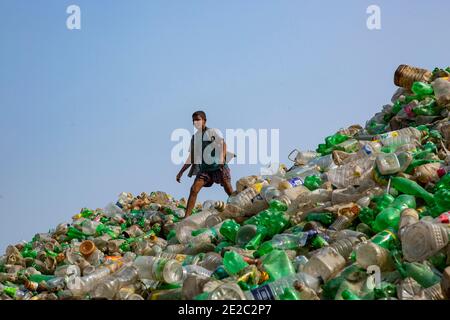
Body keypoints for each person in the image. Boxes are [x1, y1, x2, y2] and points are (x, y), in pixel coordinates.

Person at [176, 111, 233, 216]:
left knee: (228, 188)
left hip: (218, 167)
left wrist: (221, 157)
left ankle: (238, 207)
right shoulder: (195, 138)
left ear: (204, 121)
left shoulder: (211, 132)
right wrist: (181, 172)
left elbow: (223, 144)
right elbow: (192, 157)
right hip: (205, 169)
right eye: (194, 120)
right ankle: (186, 218)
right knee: (194, 189)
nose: (195, 122)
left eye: (198, 119)